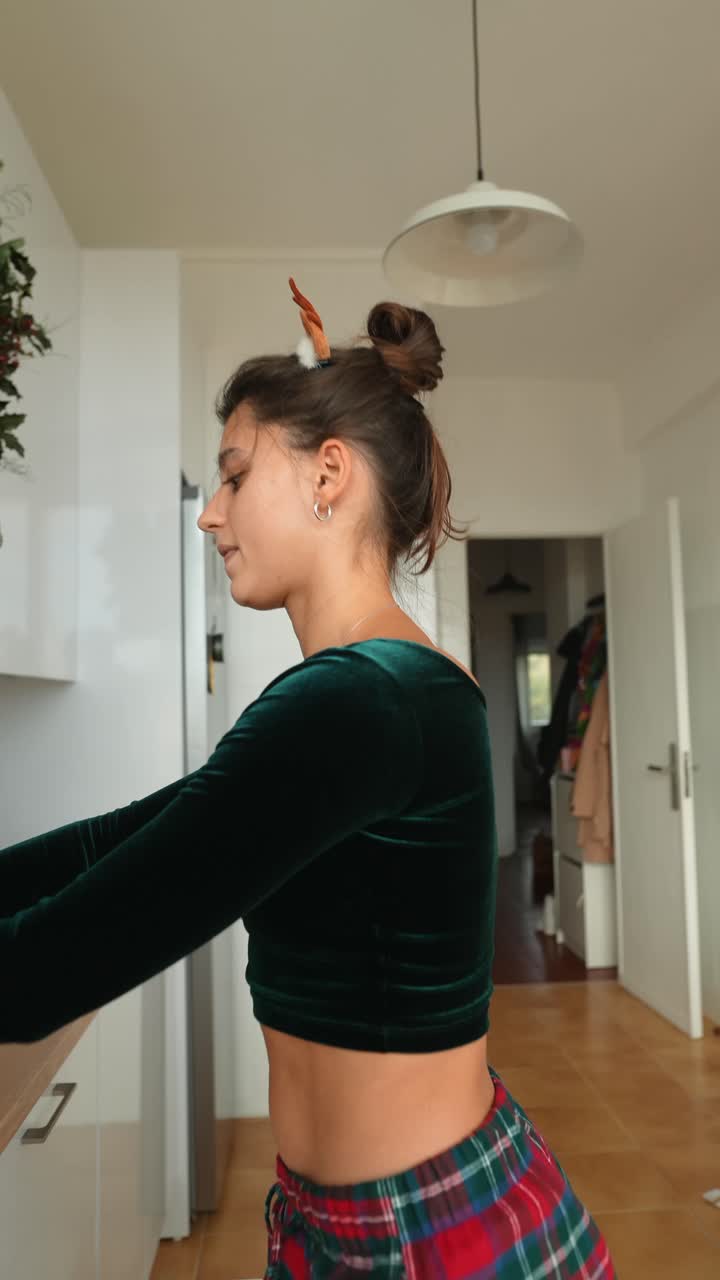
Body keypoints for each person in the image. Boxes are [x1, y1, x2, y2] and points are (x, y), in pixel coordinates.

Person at [0, 280, 617, 1279]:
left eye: (234, 475)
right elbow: (120, 842)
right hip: (374, 1209)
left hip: (420, 1232)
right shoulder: (382, 689)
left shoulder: (360, 701)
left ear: (329, 473)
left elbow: (59, 960)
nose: (210, 514)